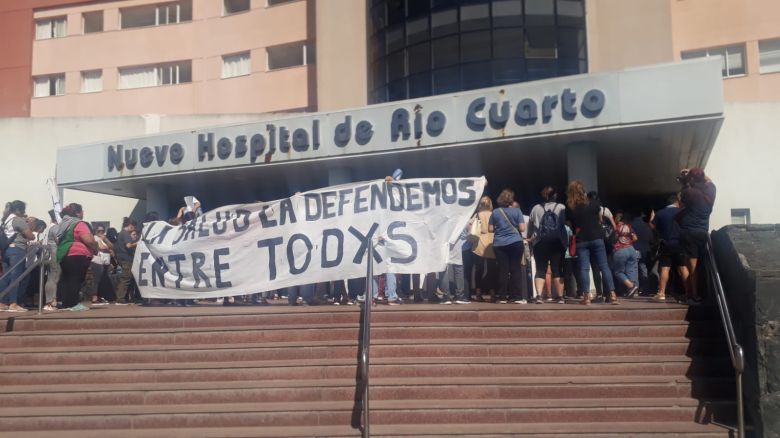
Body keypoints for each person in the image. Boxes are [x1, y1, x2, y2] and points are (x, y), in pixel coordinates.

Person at [565, 181, 618, 305]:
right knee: (604, 266)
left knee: (584, 268)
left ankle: (586, 297)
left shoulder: (571, 207)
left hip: (582, 240)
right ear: (583, 190)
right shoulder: (594, 203)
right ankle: (613, 295)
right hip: (597, 238)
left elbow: (570, 224)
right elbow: (600, 219)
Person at [677, 168, 716, 304]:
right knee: (697, 265)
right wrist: (695, 173)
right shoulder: (711, 190)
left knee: (688, 266)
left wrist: (687, 179)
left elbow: (681, 203)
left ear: (692, 179)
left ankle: (693, 295)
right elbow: (709, 180)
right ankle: (694, 294)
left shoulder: (688, 191)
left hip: (689, 231)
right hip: (703, 231)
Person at [528, 187, 567, 304]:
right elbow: (565, 223)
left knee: (540, 269)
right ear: (554, 195)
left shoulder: (536, 208)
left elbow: (531, 226)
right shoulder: (561, 207)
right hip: (557, 242)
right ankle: (560, 297)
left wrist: (530, 238)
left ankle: (539, 296)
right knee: (557, 269)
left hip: (540, 242)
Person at [55, 203, 97, 311]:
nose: (83, 213)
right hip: (77, 254)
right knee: (75, 278)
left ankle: (63, 302)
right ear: (78, 212)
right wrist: (95, 247)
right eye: (82, 211)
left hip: (64, 253)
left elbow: (57, 239)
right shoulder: (79, 223)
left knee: (65, 279)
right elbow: (89, 240)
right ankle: (73, 303)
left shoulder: (64, 224)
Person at [488, 189, 525, 304]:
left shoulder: (495, 212)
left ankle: (502, 297)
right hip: (515, 242)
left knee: (503, 270)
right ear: (511, 200)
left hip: (499, 244)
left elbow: (490, 229)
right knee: (515, 269)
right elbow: (522, 228)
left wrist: (500, 227)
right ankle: (517, 296)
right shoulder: (517, 211)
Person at [651, 194, 689, 302]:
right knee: (683, 267)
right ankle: (688, 293)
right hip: (680, 243)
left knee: (665, 268)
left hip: (666, 243)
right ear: (676, 202)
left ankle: (661, 293)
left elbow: (652, 226)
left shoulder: (660, 213)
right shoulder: (682, 212)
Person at [0, 200, 35, 312]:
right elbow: (31, 236)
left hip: (6, 250)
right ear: (18, 210)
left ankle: (2, 302)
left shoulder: (5, 220)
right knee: (16, 277)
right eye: (23, 210)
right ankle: (13, 303)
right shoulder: (18, 220)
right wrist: (29, 225)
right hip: (17, 250)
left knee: (6, 277)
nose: (24, 213)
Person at [471, 196, 496, 302]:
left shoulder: (477, 215)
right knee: (492, 270)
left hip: (479, 244)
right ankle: (493, 293)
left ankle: (478, 293)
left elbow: (470, 227)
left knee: (479, 270)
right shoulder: (493, 214)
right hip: (491, 243)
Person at [611, 211, 640, 297]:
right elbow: (635, 238)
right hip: (631, 249)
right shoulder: (629, 227)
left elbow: (613, 239)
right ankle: (635, 291)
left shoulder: (616, 227)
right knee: (631, 270)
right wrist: (628, 242)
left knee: (618, 272)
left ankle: (631, 286)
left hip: (620, 250)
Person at [89, 226, 116, 306]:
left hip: (105, 262)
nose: (101, 232)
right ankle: (96, 297)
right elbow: (101, 247)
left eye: (102, 230)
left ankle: (101, 296)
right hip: (98, 261)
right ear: (96, 231)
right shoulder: (95, 238)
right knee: (98, 279)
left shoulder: (105, 239)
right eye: (99, 230)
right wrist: (108, 248)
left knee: (103, 279)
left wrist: (106, 240)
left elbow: (112, 246)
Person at [114, 218, 137, 305]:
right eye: (133, 227)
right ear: (130, 226)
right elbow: (128, 245)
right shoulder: (126, 234)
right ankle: (120, 299)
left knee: (126, 277)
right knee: (126, 278)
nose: (134, 229)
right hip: (127, 259)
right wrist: (137, 243)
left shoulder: (121, 233)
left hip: (121, 258)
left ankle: (124, 297)